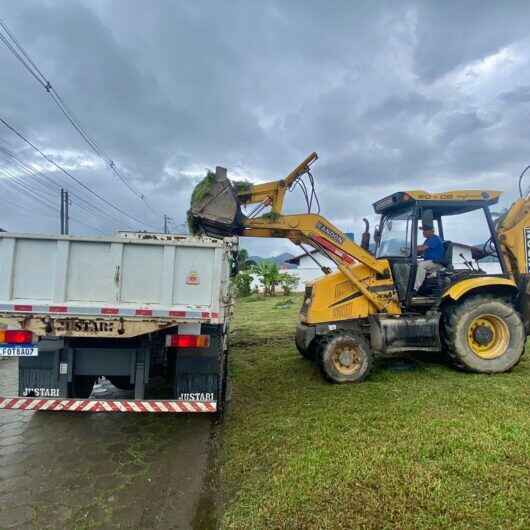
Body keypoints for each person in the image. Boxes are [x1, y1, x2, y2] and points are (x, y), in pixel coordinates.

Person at [413, 226, 444, 292]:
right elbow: (420, 249)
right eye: (423, 231)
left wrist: (410, 248)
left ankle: (415, 288)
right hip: (430, 262)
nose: (423, 232)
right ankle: (420, 287)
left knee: (421, 265)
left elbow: (422, 248)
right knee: (414, 264)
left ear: (431, 231)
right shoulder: (428, 240)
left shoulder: (435, 239)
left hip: (436, 263)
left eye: (425, 231)